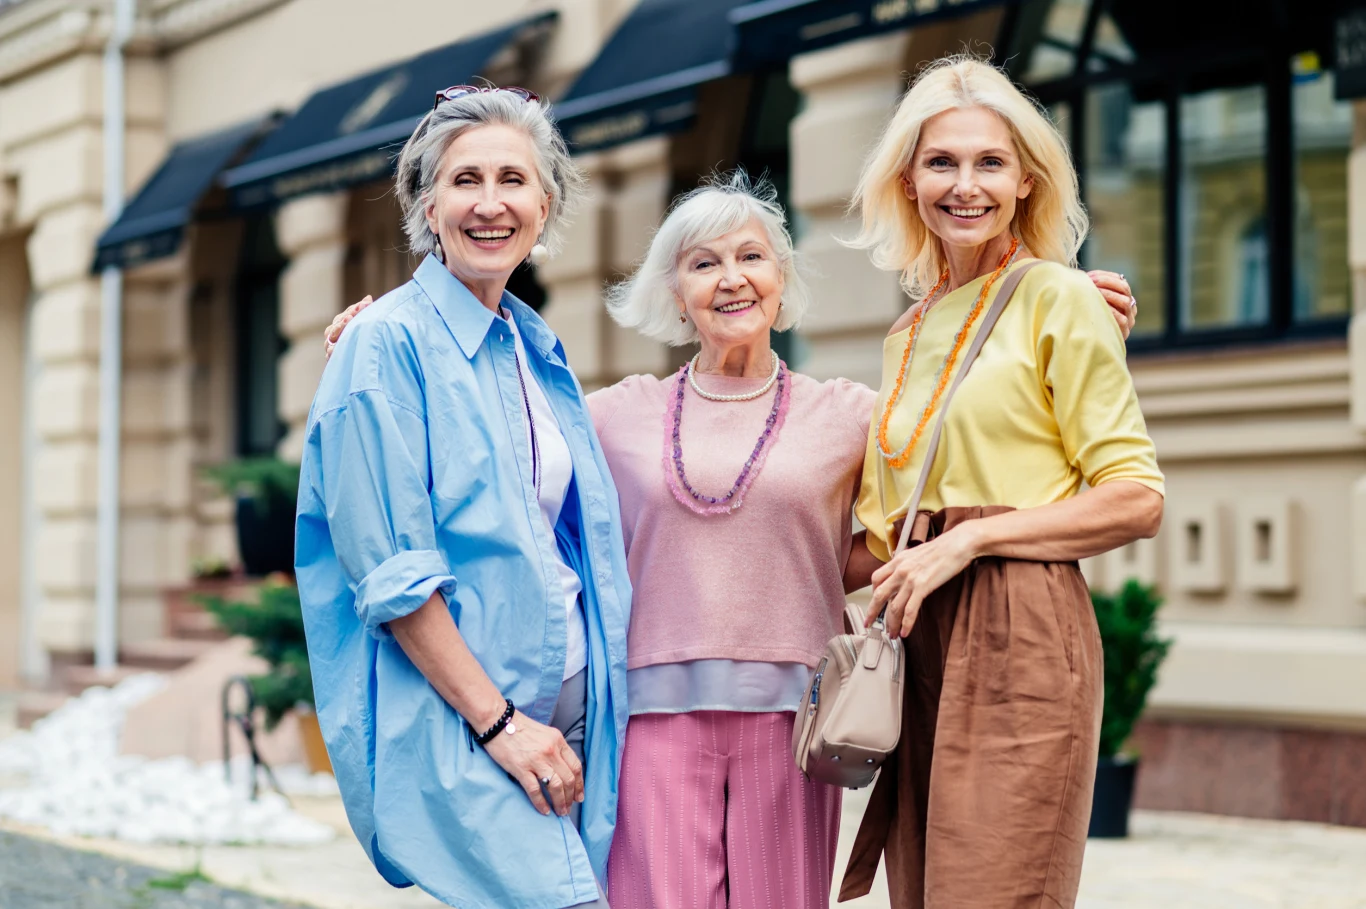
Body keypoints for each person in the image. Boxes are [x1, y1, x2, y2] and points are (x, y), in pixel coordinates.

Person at [325, 170, 1139, 907]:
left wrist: (1065, 304)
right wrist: (377, 339)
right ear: (675, 294)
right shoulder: (605, 413)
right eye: (703, 263)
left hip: (797, 729)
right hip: (645, 727)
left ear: (782, 283)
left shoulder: (854, 413)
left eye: (751, 257)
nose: (730, 279)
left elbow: (950, 449)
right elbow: (487, 447)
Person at [836, 56, 1165, 908]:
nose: (966, 185)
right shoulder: (905, 333)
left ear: (1026, 180)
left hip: (1021, 619)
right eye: (942, 162)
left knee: (994, 891)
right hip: (919, 639)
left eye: (990, 162)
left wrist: (971, 538)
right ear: (908, 180)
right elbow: (881, 536)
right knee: (923, 890)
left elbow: (1136, 495)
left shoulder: (1060, 297)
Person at [295, 86, 625, 909]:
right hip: (476, 724)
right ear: (426, 204)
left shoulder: (531, 345)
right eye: (464, 179)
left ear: (544, 205)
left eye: (513, 179)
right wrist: (502, 724)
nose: (490, 203)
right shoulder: (383, 344)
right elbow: (394, 577)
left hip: (572, 724)